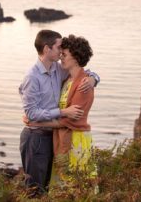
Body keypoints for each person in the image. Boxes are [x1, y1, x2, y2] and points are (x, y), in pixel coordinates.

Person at [19, 30, 99, 196]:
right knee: (35, 190)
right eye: (59, 48)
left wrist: (94, 78)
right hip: (36, 137)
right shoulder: (32, 77)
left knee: (50, 188)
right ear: (47, 49)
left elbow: (81, 71)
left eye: (64, 51)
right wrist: (62, 112)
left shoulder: (58, 70)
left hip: (55, 136)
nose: (61, 53)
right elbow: (31, 113)